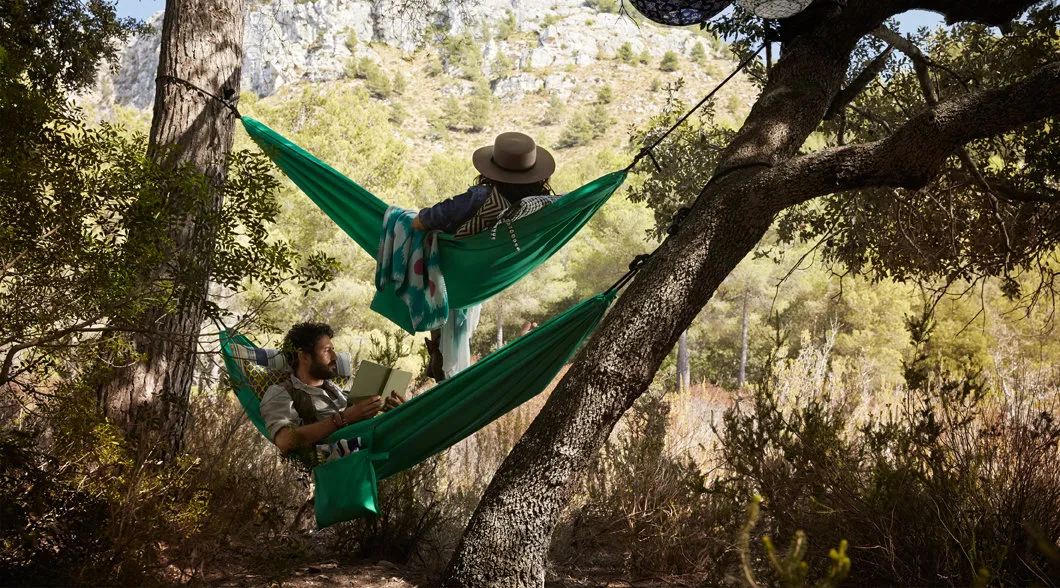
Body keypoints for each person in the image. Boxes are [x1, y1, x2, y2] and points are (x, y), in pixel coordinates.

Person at [412, 131, 557, 381]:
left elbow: (420, 222)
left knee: (414, 230)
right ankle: (441, 358)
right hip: (490, 275)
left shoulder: (479, 198)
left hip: (454, 275)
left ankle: (438, 351)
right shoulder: (546, 207)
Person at [260, 322, 405, 454]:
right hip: (335, 464)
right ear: (304, 357)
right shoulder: (281, 393)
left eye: (333, 350)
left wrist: (391, 410)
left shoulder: (338, 388)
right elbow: (286, 441)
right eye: (327, 350)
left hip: (368, 450)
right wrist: (344, 418)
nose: (335, 357)